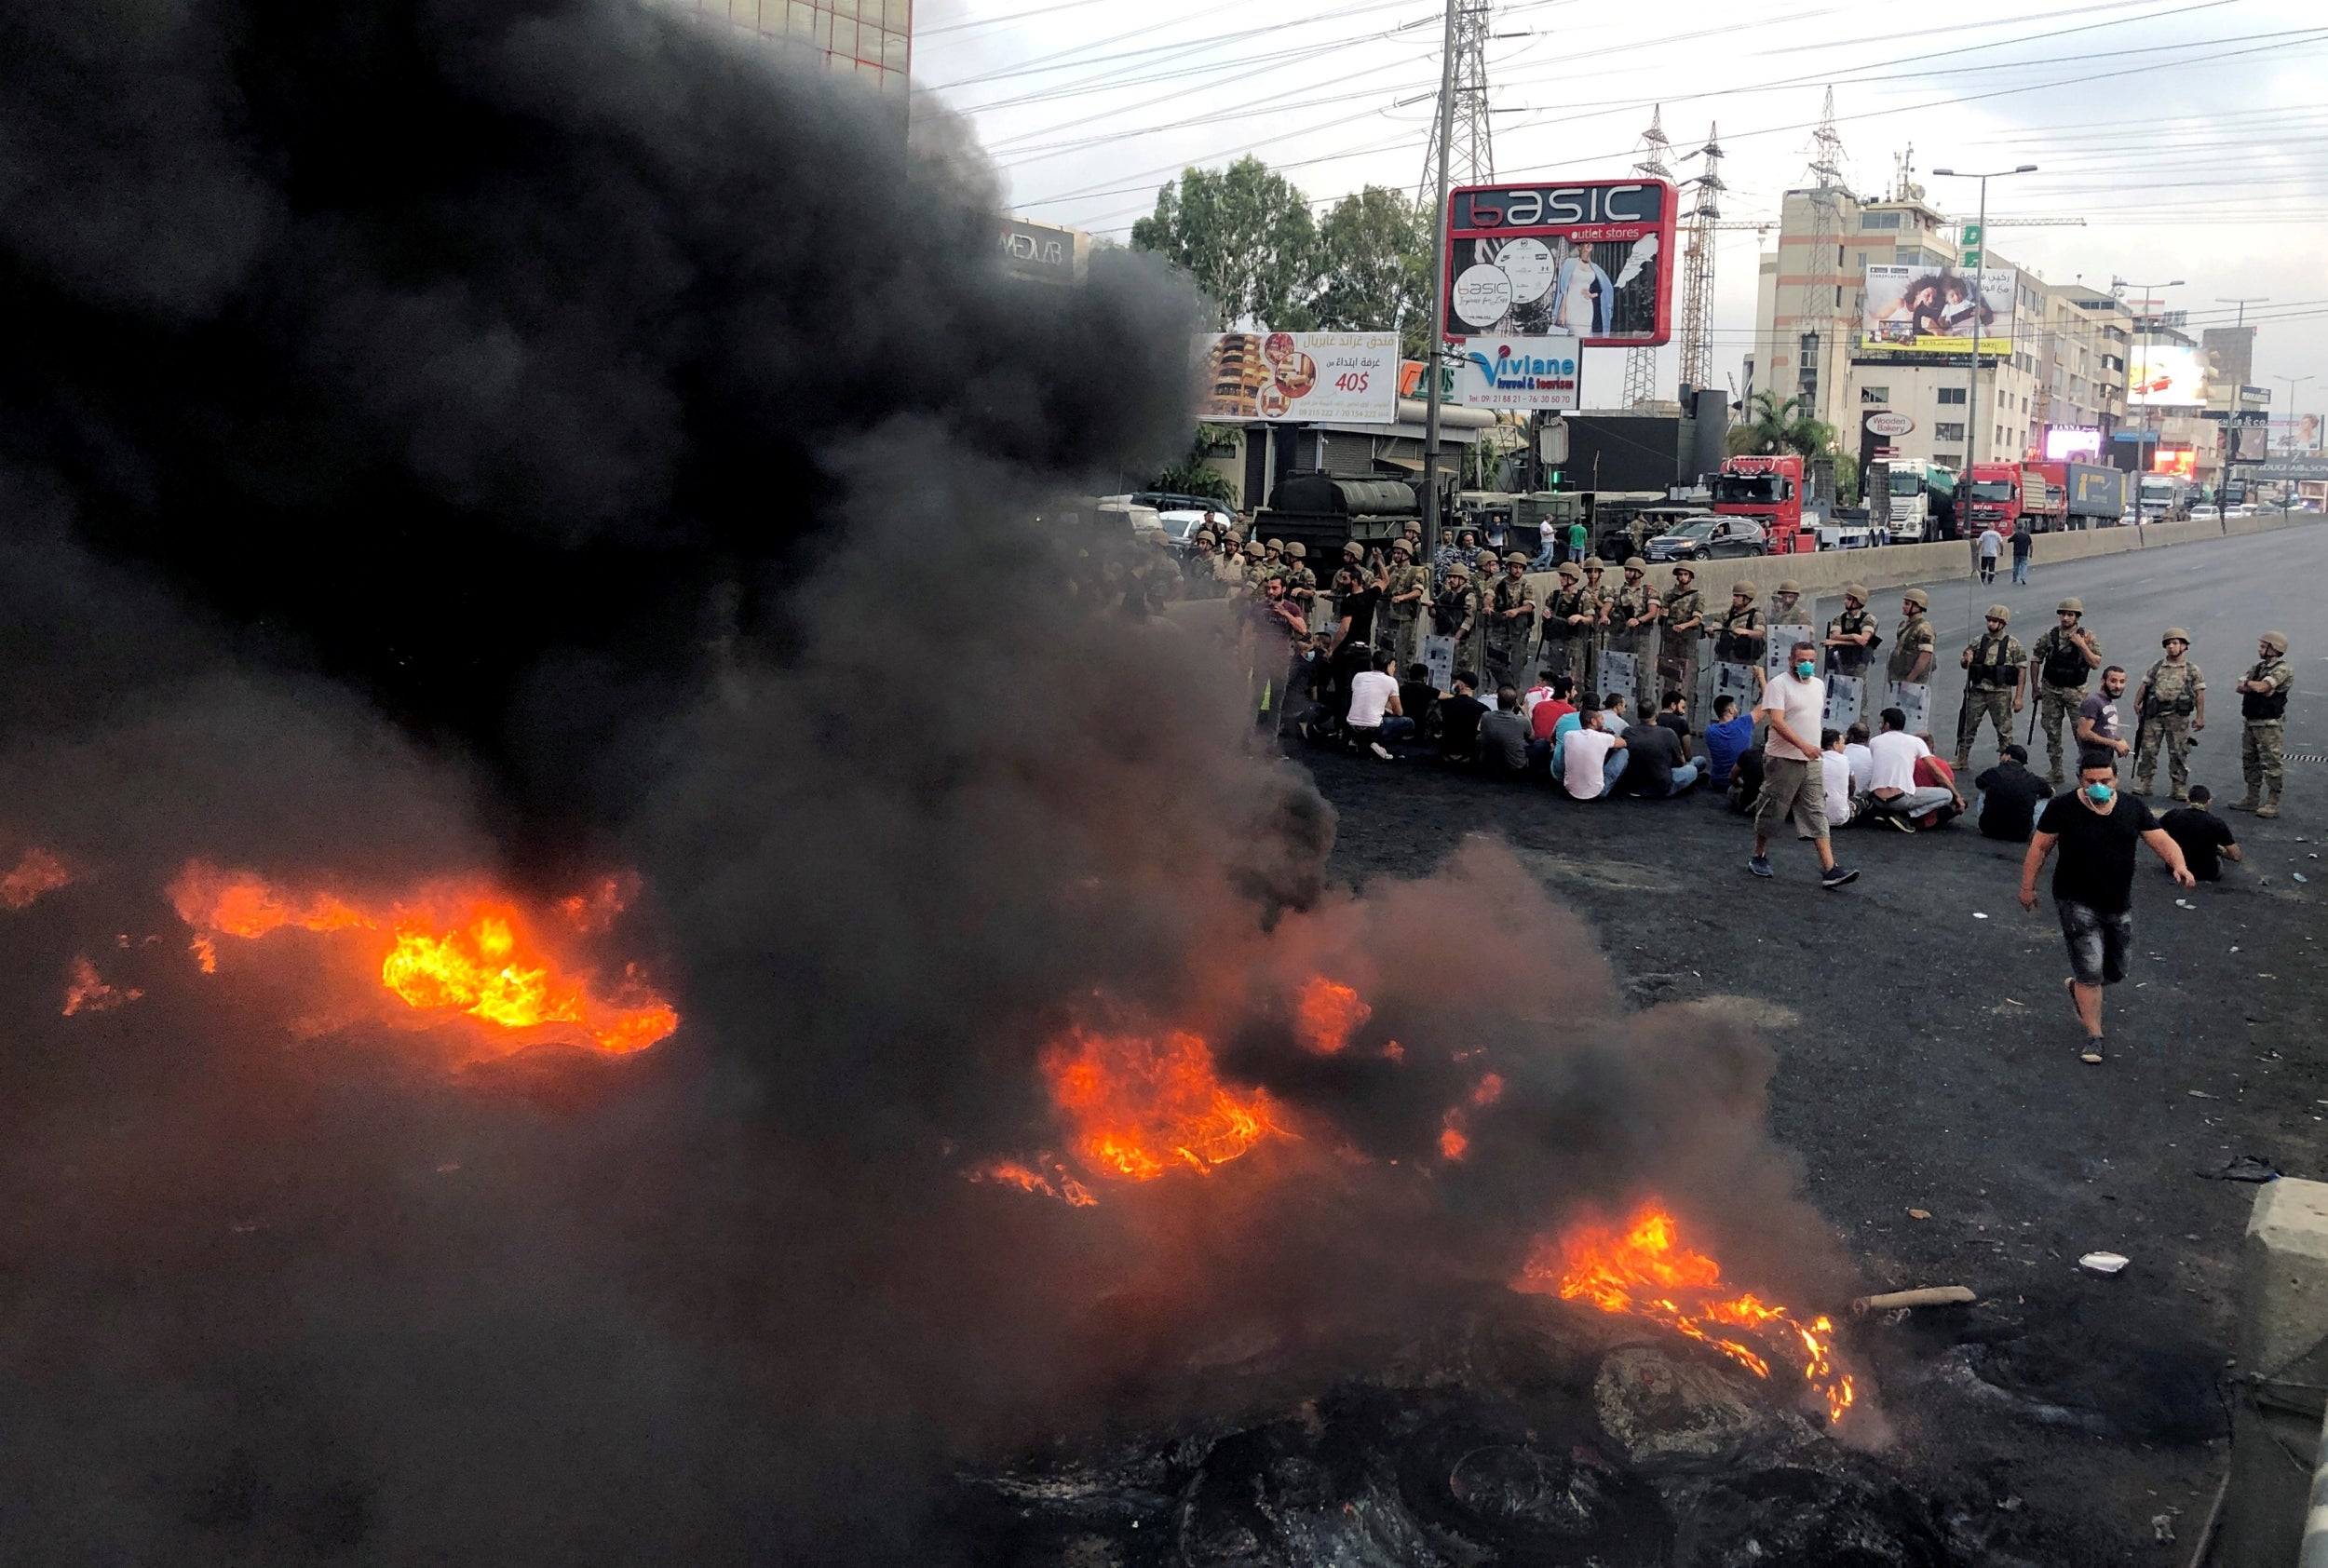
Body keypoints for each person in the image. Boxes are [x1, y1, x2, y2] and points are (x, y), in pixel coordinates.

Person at [2019, 760, 2195, 1063]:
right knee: (2090, 970)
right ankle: (2094, 1036)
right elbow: (2040, 847)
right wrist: (2027, 887)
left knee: (2116, 971)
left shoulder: (2131, 807)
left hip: (2117, 903)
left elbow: (2160, 839)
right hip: (2075, 901)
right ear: (2080, 780)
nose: (2098, 786)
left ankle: (2078, 988)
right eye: (2090, 780)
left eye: (2105, 779)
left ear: (2116, 778)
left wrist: (2179, 864)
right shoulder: (2062, 808)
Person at [1750, 642, 1859, 887]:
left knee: (1816, 810)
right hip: (1783, 758)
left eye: (1810, 660)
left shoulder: (1818, 686)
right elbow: (1776, 722)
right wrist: (1803, 745)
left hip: (1810, 759)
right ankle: (1759, 854)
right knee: (1773, 809)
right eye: (1801, 660)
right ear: (1791, 660)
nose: (1806, 664)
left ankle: (1830, 869)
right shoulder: (1779, 685)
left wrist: (1809, 748)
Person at [2029, 598, 2104, 787]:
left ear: (2077, 617)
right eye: (2063, 614)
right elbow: (2036, 658)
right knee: (2051, 731)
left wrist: (2082, 645)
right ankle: (2056, 770)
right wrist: (2035, 687)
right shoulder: (2050, 635)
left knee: (2082, 734)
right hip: (2051, 689)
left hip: (2076, 692)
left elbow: (2095, 663)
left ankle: (2087, 772)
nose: (2065, 618)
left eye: (2070, 614)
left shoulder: (2087, 636)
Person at [1861, 708, 1960, 832]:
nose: (1880, 727)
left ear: (1887, 725)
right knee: (1947, 795)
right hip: (1900, 800)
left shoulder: (1874, 741)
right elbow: (1936, 771)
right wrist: (1957, 796)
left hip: (1877, 798)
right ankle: (1906, 816)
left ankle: (1881, 812)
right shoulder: (1916, 742)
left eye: (1881, 723)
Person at [2133, 629, 2206, 801]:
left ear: (2184, 646)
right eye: (2168, 644)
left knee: (2179, 752)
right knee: (2149, 750)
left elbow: (2199, 694)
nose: (2171, 647)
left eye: (2175, 643)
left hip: (2177, 717)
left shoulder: (2191, 670)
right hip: (2155, 715)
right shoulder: (2158, 666)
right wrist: (2137, 702)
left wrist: (2200, 717)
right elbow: (2145, 684)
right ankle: (2145, 782)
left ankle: (2178, 786)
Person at [1954, 604, 2027, 771]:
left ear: (2003, 623)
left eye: (1995, 621)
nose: (1991, 624)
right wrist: (1967, 660)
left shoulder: (2013, 645)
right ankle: (1962, 759)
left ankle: (2007, 763)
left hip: (2000, 692)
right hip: (1978, 690)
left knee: (2004, 731)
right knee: (1968, 725)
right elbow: (1964, 664)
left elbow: (2022, 671)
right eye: (1989, 620)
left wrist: (2019, 697)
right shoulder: (1979, 641)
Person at [2231, 630, 2295, 817]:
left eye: (2263, 646)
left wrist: (2252, 685)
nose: (2259, 649)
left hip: (2269, 724)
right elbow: (2240, 686)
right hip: (2252, 721)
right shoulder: (2259, 668)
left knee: (2271, 762)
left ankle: (2272, 802)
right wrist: (2254, 685)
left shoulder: (2282, 669)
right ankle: (2252, 798)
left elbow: (2262, 687)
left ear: (2273, 648)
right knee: (2250, 760)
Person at [2160, 786, 2240, 881]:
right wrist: (2220, 850)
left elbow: (2155, 832)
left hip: (2174, 868)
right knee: (2217, 854)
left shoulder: (2173, 815)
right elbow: (2236, 855)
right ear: (2209, 801)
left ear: (2188, 800)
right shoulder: (2216, 823)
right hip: (2208, 873)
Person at [1976, 743, 2052, 842]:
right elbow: (2049, 792)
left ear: (2008, 756)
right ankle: (2036, 828)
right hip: (2021, 834)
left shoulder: (1993, 772)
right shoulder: (2033, 779)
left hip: (1988, 829)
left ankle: (1988, 817)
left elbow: (1978, 783)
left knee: (1985, 788)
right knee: (2044, 797)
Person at [1344, 649, 1411, 760]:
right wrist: (1391, 676)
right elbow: (1399, 712)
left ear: (1371, 664)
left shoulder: (1358, 676)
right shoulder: (1391, 681)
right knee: (1408, 722)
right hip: (1373, 728)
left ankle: (1357, 741)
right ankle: (1376, 743)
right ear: (1388, 666)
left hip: (1351, 724)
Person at [1620, 705, 1700, 798]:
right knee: (1692, 768)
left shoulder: (1628, 732)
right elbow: (1681, 761)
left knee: (1697, 762)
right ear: (1656, 715)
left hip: (1633, 786)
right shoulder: (1668, 733)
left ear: (1638, 715)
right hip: (1661, 787)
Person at [1486, 552, 1538, 690]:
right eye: (1515, 567)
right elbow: (1490, 595)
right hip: (1501, 629)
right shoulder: (1499, 583)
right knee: (1495, 661)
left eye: (1520, 568)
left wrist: (1516, 611)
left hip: (1519, 630)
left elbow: (1529, 606)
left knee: (1517, 663)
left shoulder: (1526, 585)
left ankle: (1513, 692)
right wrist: (1488, 606)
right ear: (1508, 567)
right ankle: (1501, 688)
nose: (1517, 570)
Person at [1658, 563, 1706, 713]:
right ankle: (1667, 708)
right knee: (1668, 674)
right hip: (1670, 639)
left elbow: (1697, 618)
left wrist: (1684, 626)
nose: (1682, 577)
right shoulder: (1669, 594)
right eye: (1680, 574)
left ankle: (1685, 709)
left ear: (1691, 576)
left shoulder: (1697, 596)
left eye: (1686, 574)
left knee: (1687, 675)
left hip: (1687, 639)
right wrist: (1663, 616)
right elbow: (1662, 618)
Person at [1559, 705, 1631, 800]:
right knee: (1623, 753)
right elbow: (1623, 743)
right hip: (1596, 793)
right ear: (1593, 721)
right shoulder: (1603, 738)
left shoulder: (1568, 735)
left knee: (1567, 747)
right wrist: (1604, 732)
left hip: (1569, 791)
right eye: (1601, 719)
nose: (1604, 722)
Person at [1712, 580, 1766, 697]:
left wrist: (1746, 632)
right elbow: (1717, 625)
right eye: (1734, 595)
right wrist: (1712, 630)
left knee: (1741, 695)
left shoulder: (1756, 615)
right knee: (1721, 694)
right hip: (1725, 661)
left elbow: (1759, 632)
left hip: (1743, 662)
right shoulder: (1728, 614)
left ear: (1747, 598)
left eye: (1738, 596)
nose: (1734, 599)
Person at [1382, 538, 1429, 665]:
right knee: (1386, 649)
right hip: (1388, 616)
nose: (1395, 556)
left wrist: (1403, 597)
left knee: (1404, 650)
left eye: (1399, 553)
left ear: (1407, 554)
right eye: (1395, 553)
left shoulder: (1416, 571)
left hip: (1405, 618)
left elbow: (1418, 592)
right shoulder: (1391, 570)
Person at [2075, 665, 2132, 770]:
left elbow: (2103, 730)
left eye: (2122, 682)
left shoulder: (2107, 702)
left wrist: (2119, 740)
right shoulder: (2093, 702)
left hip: (2105, 758)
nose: (2118, 686)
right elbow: (2083, 733)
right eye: (2113, 681)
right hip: (2092, 761)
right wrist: (2114, 744)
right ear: (2102, 681)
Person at [1823, 583, 1879, 683]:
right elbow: (1835, 636)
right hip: (1841, 661)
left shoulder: (1869, 619)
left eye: (1849, 599)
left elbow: (1863, 640)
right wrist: (1853, 636)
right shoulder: (1840, 617)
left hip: (1858, 664)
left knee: (1858, 692)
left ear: (1858, 601)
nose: (1845, 601)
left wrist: (1837, 642)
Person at [1478, 685, 1533, 778]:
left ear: (1497, 701)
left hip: (1488, 765)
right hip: (1515, 768)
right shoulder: (1522, 721)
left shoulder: (1486, 716)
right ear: (1515, 703)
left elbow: (1479, 729)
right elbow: (1532, 737)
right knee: (1541, 744)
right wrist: (1526, 713)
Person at [1436, 670, 1490, 764]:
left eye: (1456, 681)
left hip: (1446, 753)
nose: (1454, 684)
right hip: (1468, 756)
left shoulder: (1446, 704)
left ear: (1461, 685)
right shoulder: (1482, 708)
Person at [1889, 587, 1937, 689]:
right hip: (1900, 675)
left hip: (1915, 681)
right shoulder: (1903, 624)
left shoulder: (1924, 628)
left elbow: (1925, 657)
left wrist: (1909, 681)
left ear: (1917, 606)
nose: (1903, 607)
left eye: (1907, 604)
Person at [1703, 694, 1754, 786]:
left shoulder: (1709, 731)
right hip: (1739, 782)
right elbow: (1768, 705)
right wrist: (1761, 679)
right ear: (1730, 710)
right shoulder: (1743, 723)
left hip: (1717, 782)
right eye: (1735, 707)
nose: (1736, 709)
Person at [1399, 662, 1444, 748]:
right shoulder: (1428, 690)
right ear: (1425, 677)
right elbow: (1448, 697)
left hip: (1403, 729)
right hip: (1421, 731)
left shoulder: (1402, 689)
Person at [1820, 728, 1856, 831]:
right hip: (1840, 818)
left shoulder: (1815, 759)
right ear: (1835, 745)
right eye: (1843, 743)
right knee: (1860, 801)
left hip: (1814, 817)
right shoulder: (1844, 760)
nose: (1845, 747)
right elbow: (1852, 784)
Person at [1843, 722, 1874, 795]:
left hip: (1843, 797)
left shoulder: (1841, 752)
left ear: (1851, 737)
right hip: (1864, 801)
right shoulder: (1873, 755)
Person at [1976, 521, 2005, 585]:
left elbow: (1980, 542)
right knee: (1991, 567)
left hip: (1985, 553)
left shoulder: (1984, 533)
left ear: (1988, 526)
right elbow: (2001, 544)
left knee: (1983, 566)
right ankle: (1990, 580)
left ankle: (1982, 578)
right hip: (1993, 553)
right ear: (1994, 527)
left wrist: (1977, 550)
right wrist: (2001, 551)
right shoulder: (1997, 534)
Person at [2010, 520, 2034, 585]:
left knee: (2016, 567)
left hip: (2016, 553)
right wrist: (2031, 553)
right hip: (2024, 554)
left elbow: (2009, 540)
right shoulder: (2027, 536)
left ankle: (2014, 579)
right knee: (2024, 566)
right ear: (2023, 528)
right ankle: (2023, 578)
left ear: (2017, 528)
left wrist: (2013, 535)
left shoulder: (2016, 535)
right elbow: (2031, 545)